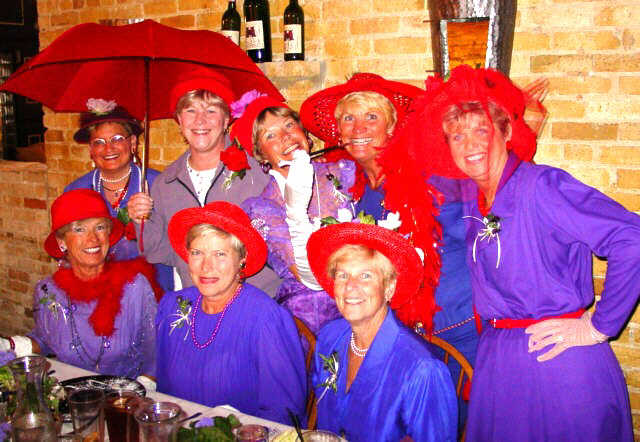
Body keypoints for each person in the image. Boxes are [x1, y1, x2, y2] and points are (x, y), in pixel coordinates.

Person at [403, 64, 639, 441]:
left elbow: (632, 238)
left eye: (483, 129)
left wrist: (598, 326)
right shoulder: (472, 198)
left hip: (556, 366)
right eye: (457, 136)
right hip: (498, 364)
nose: (471, 145)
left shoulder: (543, 186)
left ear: (507, 131)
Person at [127, 69, 279, 295]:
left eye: (211, 110)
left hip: (258, 299)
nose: (200, 120)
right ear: (179, 120)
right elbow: (159, 253)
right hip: (201, 303)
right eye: (190, 110)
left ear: (226, 119)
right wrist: (141, 220)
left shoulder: (258, 169)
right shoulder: (165, 183)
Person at [155, 201, 307, 425]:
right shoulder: (172, 306)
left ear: (241, 259)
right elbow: (163, 394)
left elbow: (282, 414)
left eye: (220, 254)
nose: (206, 266)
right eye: (197, 252)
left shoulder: (266, 319)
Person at [307, 222, 457, 441]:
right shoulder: (329, 338)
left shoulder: (422, 371)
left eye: (365, 276)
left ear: (389, 288)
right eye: (342, 275)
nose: (351, 287)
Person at [0, 189, 159, 382]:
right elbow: (46, 339)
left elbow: (155, 353)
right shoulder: (48, 292)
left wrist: (142, 389)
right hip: (72, 395)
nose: (93, 239)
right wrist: (8, 345)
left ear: (109, 233)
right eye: (79, 229)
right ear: (61, 241)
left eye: (100, 227)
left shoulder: (134, 287)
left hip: (125, 398)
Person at [230, 92, 355, 333]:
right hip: (311, 323)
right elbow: (311, 277)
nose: (286, 136)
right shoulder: (262, 207)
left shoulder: (343, 171)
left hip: (367, 304)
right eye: (270, 135)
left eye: (289, 124)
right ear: (261, 154)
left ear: (303, 132)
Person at [65, 101, 173, 292]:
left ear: (132, 143)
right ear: (90, 150)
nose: (108, 149)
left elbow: (174, 248)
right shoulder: (76, 191)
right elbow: (67, 250)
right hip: (98, 291)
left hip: (153, 290)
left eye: (116, 139)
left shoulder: (159, 184)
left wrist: (146, 222)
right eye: (99, 142)